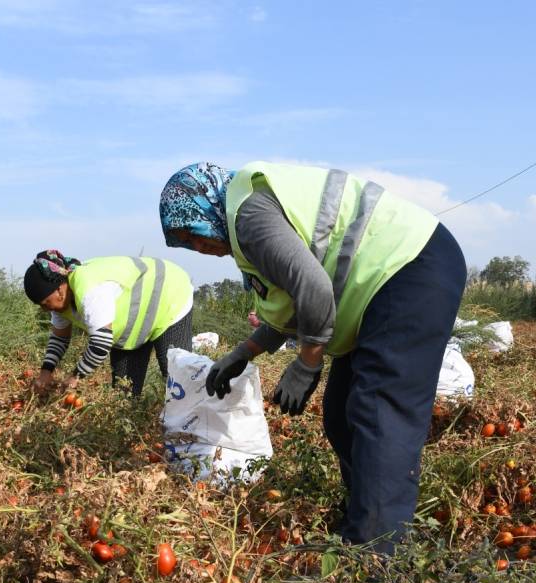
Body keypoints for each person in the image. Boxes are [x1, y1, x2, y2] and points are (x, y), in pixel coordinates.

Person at [159, 162, 466, 554]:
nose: (200, 248)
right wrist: (242, 353)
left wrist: (307, 363)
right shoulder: (246, 223)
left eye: (195, 235)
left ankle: (376, 553)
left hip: (410, 268)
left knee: (378, 411)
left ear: (206, 208)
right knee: (340, 414)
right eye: (189, 244)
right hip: (390, 282)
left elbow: (315, 289)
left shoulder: (249, 217)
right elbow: (288, 307)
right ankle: (367, 517)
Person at [22, 250, 193, 397]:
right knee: (123, 394)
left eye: (45, 303)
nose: (44, 309)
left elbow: (100, 344)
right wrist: (45, 373)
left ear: (59, 289)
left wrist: (75, 376)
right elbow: (59, 339)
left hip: (169, 295)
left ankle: (193, 433)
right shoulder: (60, 304)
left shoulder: (89, 289)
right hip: (136, 321)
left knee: (177, 381)